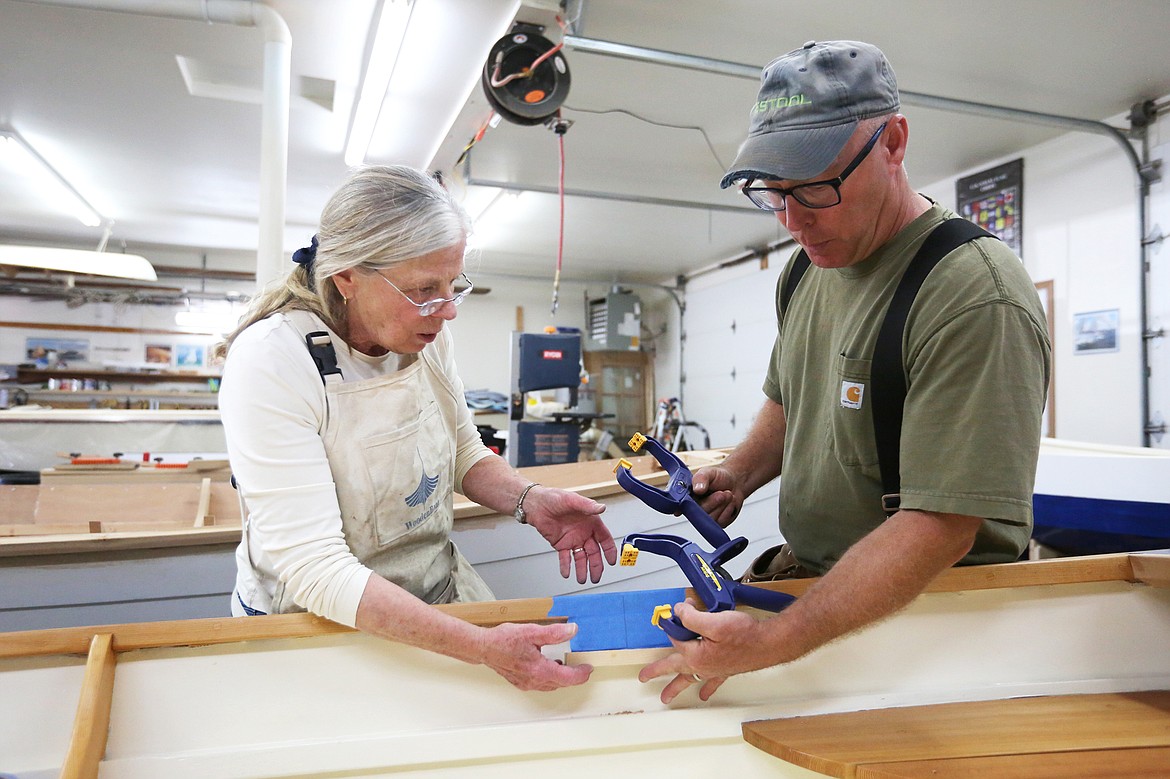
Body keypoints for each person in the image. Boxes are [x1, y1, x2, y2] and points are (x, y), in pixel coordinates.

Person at [639, 41, 1051, 703]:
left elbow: (942, 526)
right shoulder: (808, 268)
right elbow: (789, 394)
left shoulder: (972, 295)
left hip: (942, 612)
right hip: (822, 586)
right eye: (773, 194)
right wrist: (740, 472)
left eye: (817, 188)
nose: (795, 221)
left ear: (893, 142)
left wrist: (780, 637)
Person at [218, 165, 618, 691]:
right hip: (317, 623)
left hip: (435, 594)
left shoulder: (425, 337)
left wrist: (530, 499)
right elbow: (315, 569)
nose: (447, 310)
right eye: (425, 289)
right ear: (347, 277)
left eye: (454, 285)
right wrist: (478, 647)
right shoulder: (275, 359)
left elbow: (462, 453)